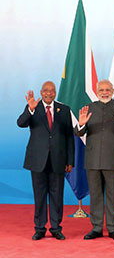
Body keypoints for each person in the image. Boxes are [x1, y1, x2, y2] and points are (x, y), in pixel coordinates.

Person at [75, 79, 114, 241]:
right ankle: (97, 228)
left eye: (108, 89)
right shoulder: (89, 108)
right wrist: (81, 124)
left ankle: (113, 228)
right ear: (97, 91)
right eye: (102, 90)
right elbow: (79, 133)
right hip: (92, 161)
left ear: (112, 91)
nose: (104, 92)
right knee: (96, 196)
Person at [17, 81, 74, 240]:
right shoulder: (34, 107)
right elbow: (20, 123)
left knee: (57, 196)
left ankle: (56, 228)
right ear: (41, 92)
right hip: (37, 160)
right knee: (40, 196)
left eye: (52, 91)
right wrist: (30, 109)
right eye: (46, 91)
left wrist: (70, 160)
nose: (49, 93)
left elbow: (69, 136)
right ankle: (40, 228)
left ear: (55, 93)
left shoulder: (64, 109)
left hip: (58, 160)